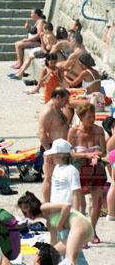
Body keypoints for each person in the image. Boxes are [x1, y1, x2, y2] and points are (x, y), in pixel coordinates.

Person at [18, 191, 93, 265]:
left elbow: (66, 206)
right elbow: (53, 243)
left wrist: (60, 224)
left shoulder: (44, 207)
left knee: (70, 260)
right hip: (82, 229)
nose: (25, 216)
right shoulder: (49, 223)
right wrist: (42, 252)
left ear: (31, 207)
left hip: (80, 225)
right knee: (46, 256)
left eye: (25, 212)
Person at [67, 103, 106, 243]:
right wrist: (85, 155)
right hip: (79, 169)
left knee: (97, 201)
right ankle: (80, 232)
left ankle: (93, 230)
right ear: (81, 117)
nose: (92, 119)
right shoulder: (73, 131)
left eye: (93, 116)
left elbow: (103, 151)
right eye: (89, 117)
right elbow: (70, 152)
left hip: (96, 168)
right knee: (80, 203)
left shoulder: (98, 130)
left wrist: (96, 154)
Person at [39, 88, 72, 203]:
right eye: (65, 100)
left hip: (61, 148)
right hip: (52, 147)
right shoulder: (48, 111)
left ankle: (58, 202)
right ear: (58, 97)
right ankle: (47, 203)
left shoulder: (57, 109)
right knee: (49, 177)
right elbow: (42, 132)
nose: (67, 102)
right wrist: (48, 151)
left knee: (61, 177)